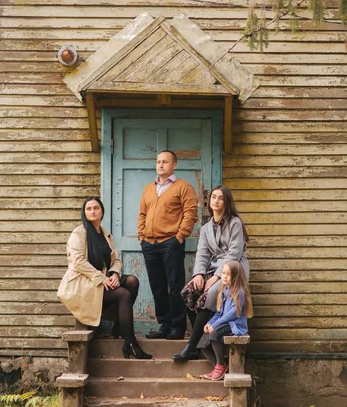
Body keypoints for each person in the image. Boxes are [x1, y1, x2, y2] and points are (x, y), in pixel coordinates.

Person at [57, 196, 152, 360]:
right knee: (124, 294)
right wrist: (102, 278)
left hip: (100, 281)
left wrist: (114, 274)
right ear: (84, 212)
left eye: (96, 208)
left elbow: (116, 259)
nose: (92, 211)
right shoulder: (79, 233)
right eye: (88, 209)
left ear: (102, 211)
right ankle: (130, 343)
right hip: (84, 284)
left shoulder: (105, 235)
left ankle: (119, 327)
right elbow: (78, 261)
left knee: (132, 281)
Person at [172, 184, 249, 360]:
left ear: (227, 201)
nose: (216, 201)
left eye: (220, 198)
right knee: (188, 292)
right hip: (213, 269)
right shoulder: (206, 227)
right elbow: (203, 253)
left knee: (211, 293)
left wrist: (215, 277)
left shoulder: (234, 223)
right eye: (213, 197)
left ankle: (192, 345)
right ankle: (201, 340)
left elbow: (234, 253)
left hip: (234, 270)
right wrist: (198, 274)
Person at [138, 150, 198, 340]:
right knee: (158, 287)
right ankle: (164, 325)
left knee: (175, 285)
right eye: (158, 162)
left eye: (165, 162)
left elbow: (190, 213)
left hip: (171, 243)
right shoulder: (149, 188)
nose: (160, 165)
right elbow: (142, 214)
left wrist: (180, 236)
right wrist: (141, 235)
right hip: (149, 244)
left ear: (174, 165)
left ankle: (177, 327)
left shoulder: (183, 187)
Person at [198, 260, 253, 380]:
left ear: (236, 276)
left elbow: (233, 314)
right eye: (223, 273)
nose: (224, 276)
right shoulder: (224, 291)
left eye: (228, 274)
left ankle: (220, 367)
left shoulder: (239, 292)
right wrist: (209, 323)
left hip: (235, 326)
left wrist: (215, 325)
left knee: (214, 334)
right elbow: (219, 313)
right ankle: (220, 367)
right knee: (202, 343)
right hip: (224, 324)